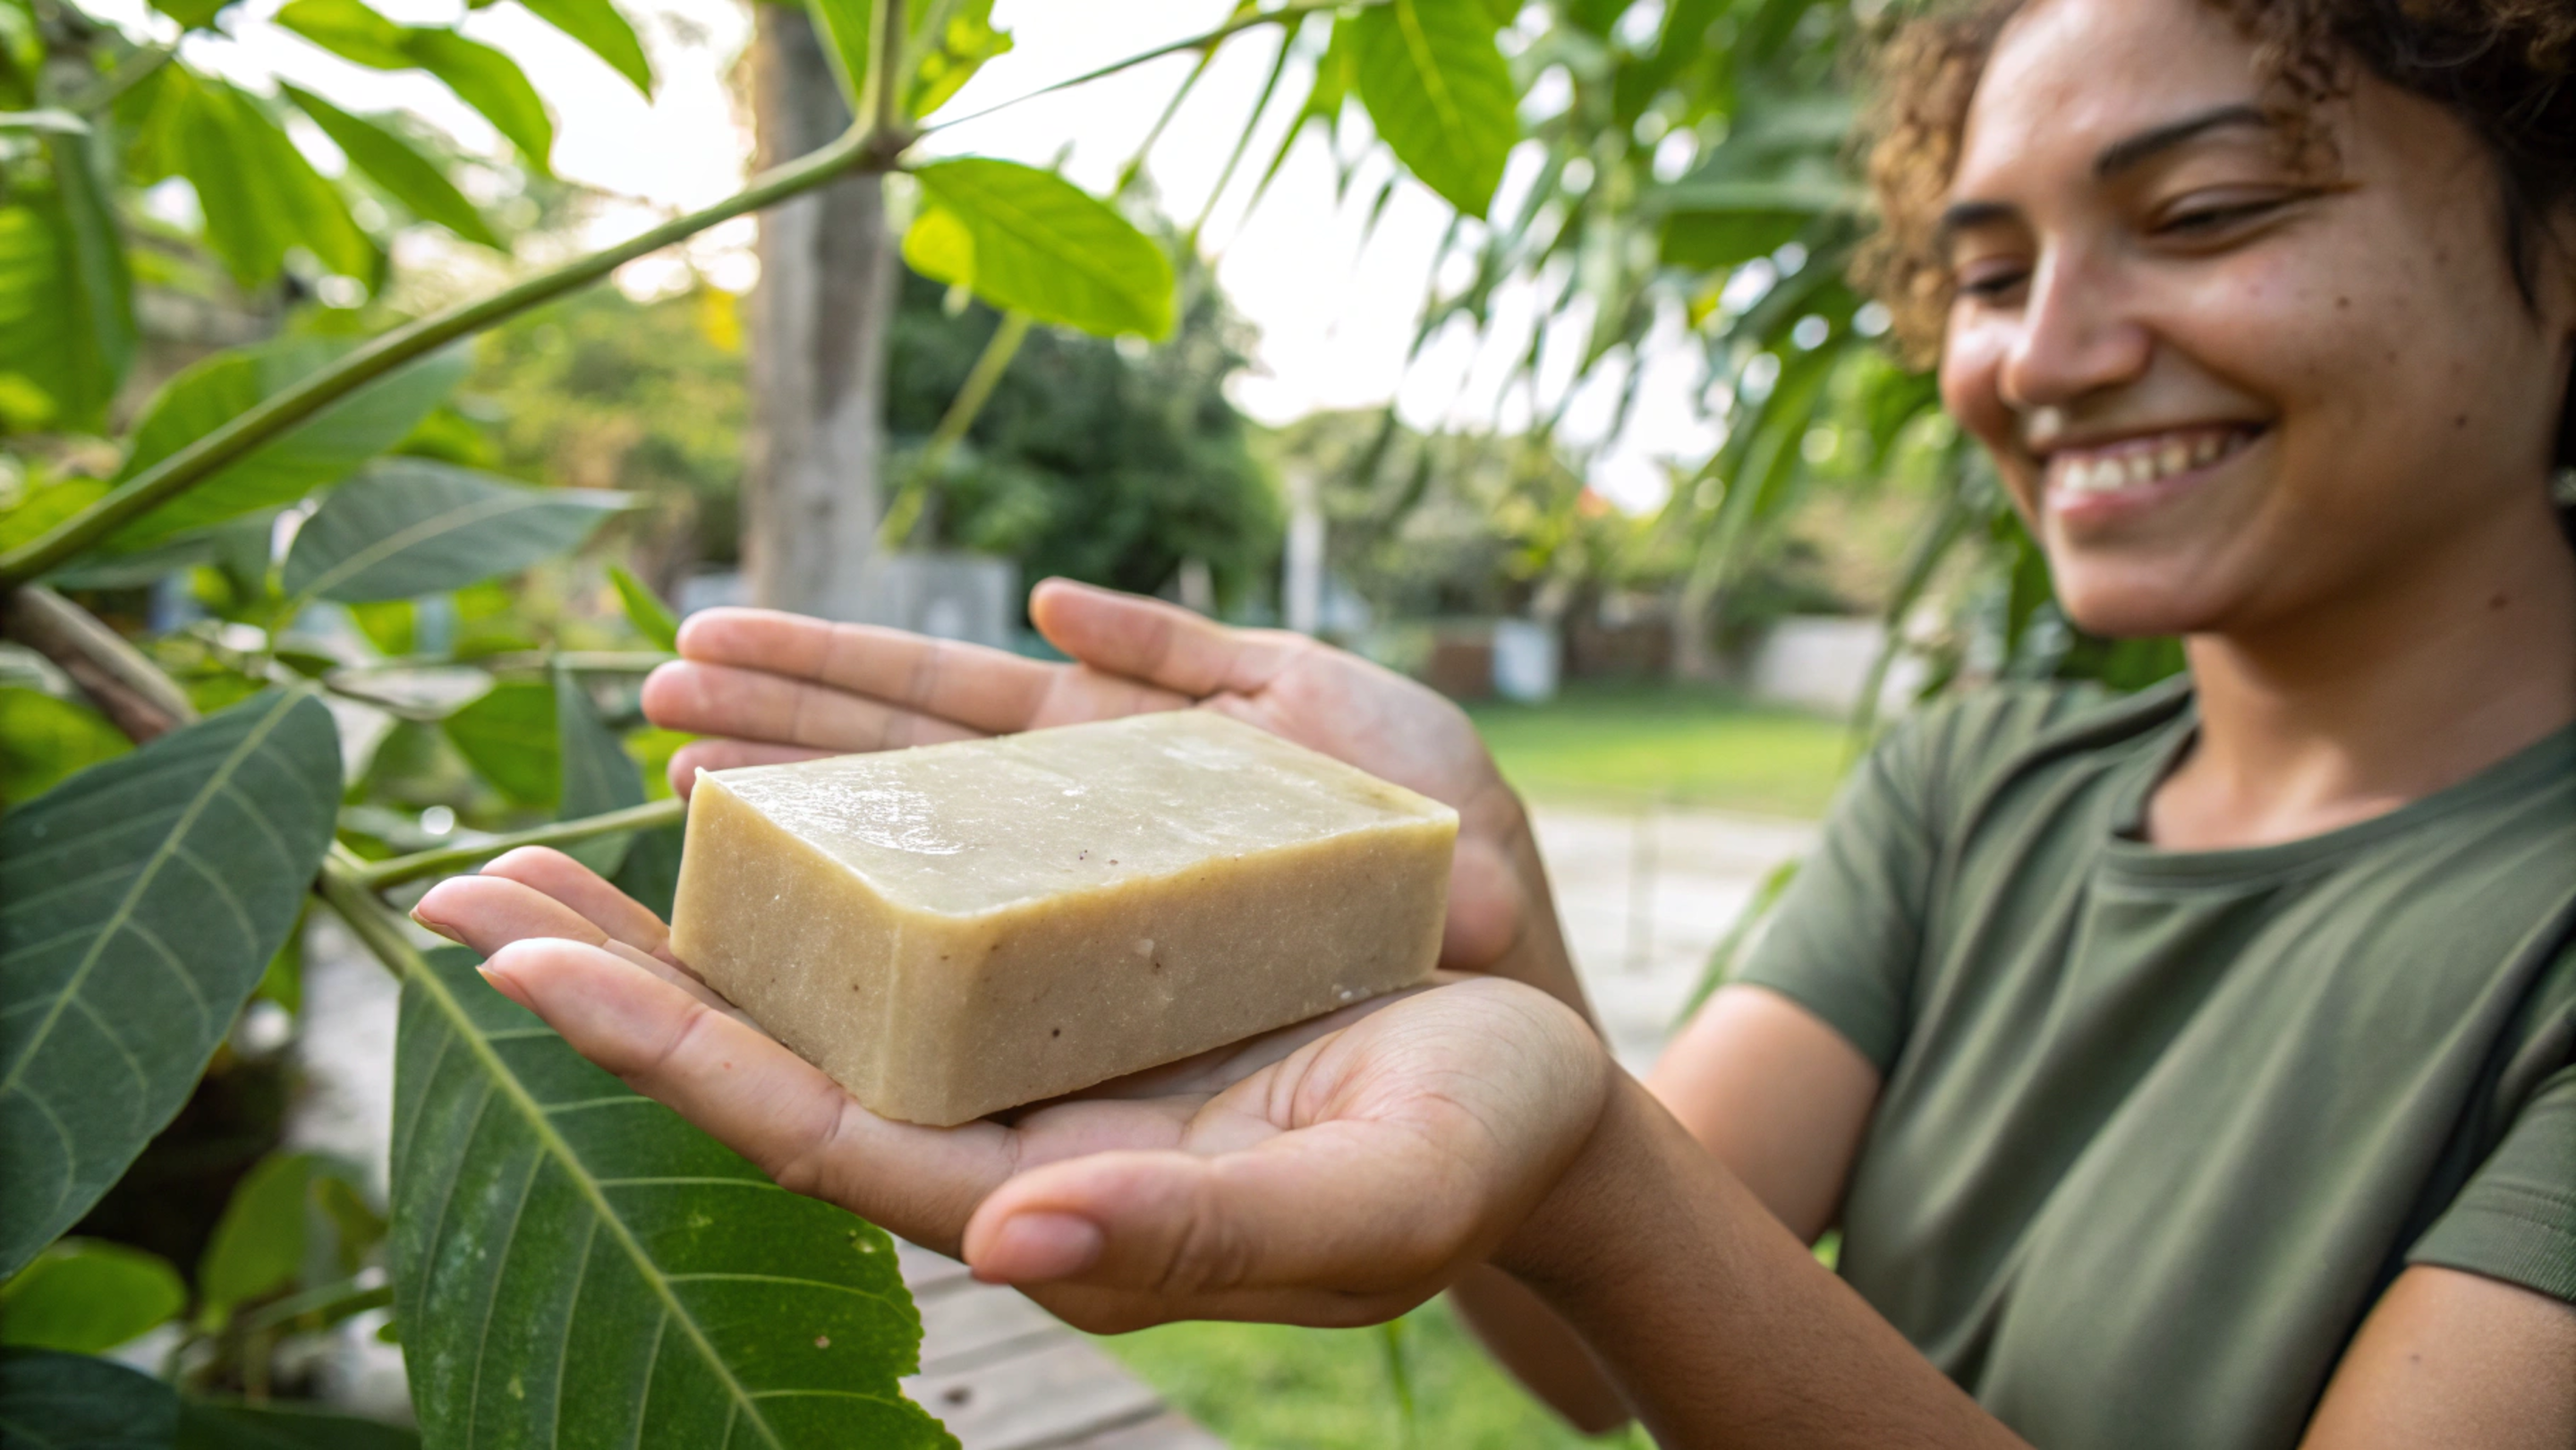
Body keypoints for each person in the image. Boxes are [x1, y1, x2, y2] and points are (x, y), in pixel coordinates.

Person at [413, 0, 2576, 1442]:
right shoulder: (1972, 785)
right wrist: (1489, 917)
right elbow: (1582, 1345)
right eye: (1987, 271)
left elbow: (1621, 1206)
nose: (2046, 352)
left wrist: (1596, 1163)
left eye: (2201, 215)